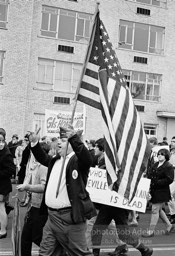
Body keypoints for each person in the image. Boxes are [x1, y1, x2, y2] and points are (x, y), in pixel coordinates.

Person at [29, 125, 96, 256]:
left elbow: (87, 159)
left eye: (64, 140)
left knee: (80, 253)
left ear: (72, 144)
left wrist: (75, 138)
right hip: (51, 218)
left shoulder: (77, 161)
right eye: (59, 139)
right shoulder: (55, 160)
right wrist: (34, 143)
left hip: (70, 219)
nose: (59, 142)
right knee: (45, 252)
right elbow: (42, 157)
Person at [89, 138, 128, 256]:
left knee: (94, 225)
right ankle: (122, 245)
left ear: (102, 148)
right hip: (101, 200)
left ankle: (90, 250)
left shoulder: (109, 162)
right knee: (103, 225)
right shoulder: (97, 159)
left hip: (108, 200)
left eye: (96, 146)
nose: (94, 148)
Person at [16, 142, 50, 256]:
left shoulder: (43, 167)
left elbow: (44, 187)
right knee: (25, 238)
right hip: (33, 206)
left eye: (33, 152)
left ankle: (55, 251)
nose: (31, 155)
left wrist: (28, 187)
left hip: (40, 208)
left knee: (37, 238)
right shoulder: (34, 166)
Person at [142, 148, 174, 237]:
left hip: (162, 191)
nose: (159, 155)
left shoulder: (168, 166)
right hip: (154, 190)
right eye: (159, 154)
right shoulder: (155, 164)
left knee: (155, 210)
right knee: (158, 210)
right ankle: (169, 225)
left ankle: (150, 231)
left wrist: (157, 182)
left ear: (166, 156)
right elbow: (150, 174)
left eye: (162, 154)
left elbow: (170, 179)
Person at [0, 128, 16, 238]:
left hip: (3, 186)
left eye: (1, 140)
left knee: (1, 207)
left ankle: (3, 231)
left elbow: (11, 170)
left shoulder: (6, 153)